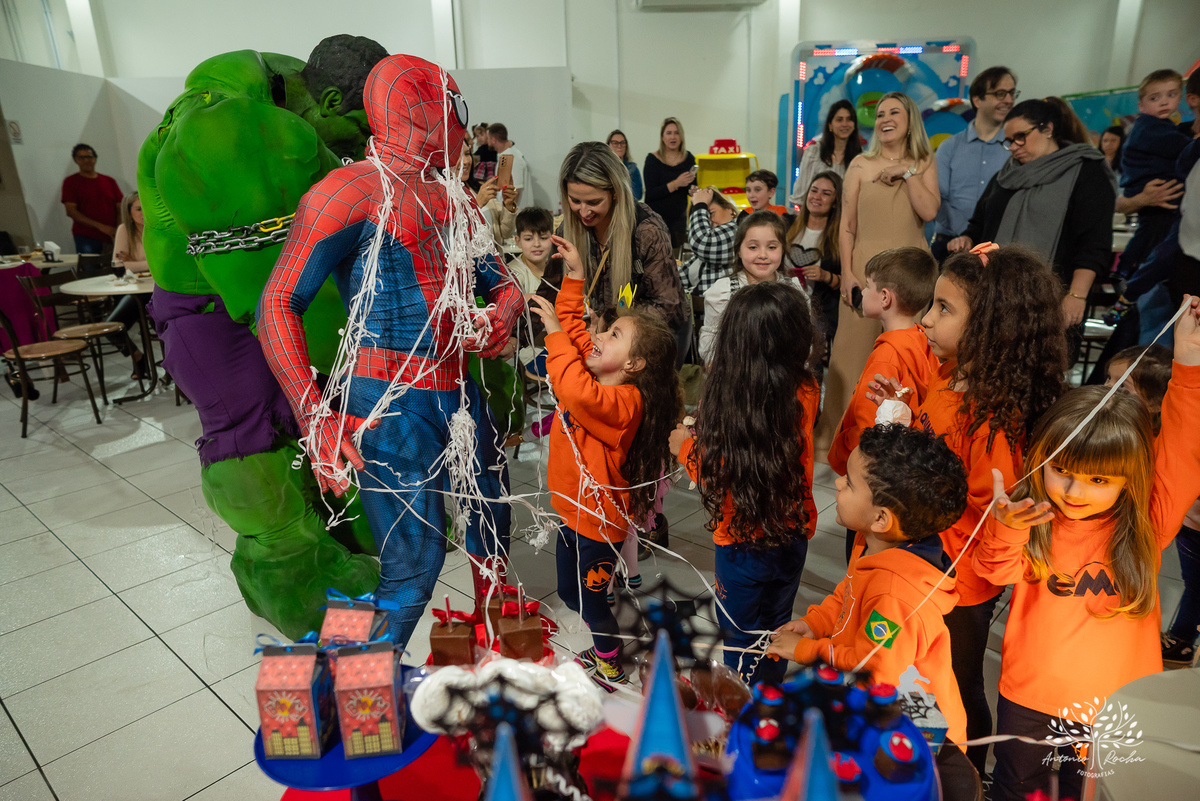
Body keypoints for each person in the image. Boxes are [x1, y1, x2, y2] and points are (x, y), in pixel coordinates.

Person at [259, 55, 524, 647]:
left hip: (457, 393)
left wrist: (497, 318)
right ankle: (358, 702)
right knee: (413, 564)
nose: (462, 125)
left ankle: (492, 648)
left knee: (491, 519)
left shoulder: (453, 198)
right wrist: (314, 415)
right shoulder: (350, 193)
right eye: (452, 108)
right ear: (426, 108)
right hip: (389, 402)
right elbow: (277, 303)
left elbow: (503, 285)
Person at [139, 35, 390, 638]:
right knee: (249, 443)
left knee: (306, 418)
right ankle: (295, 586)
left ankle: (342, 552)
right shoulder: (223, 127)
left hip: (267, 298)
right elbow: (271, 291)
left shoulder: (274, 117)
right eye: (361, 130)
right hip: (213, 315)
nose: (363, 146)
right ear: (329, 100)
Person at [974, 297, 1200, 801]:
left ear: (1130, 478)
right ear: (1043, 458)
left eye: (1099, 479)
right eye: (1064, 472)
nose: (1075, 492)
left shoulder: (1146, 526)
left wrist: (1188, 366)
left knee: (1089, 794)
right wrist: (1008, 526)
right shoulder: (1032, 517)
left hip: (1116, 704)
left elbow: (1184, 448)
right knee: (1017, 790)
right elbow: (993, 570)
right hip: (1028, 700)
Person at [870, 244, 1068, 775]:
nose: (927, 320)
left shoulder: (992, 423)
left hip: (955, 587)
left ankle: (965, 775)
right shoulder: (949, 377)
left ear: (992, 326)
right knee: (923, 680)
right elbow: (940, 460)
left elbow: (978, 518)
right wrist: (906, 415)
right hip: (928, 570)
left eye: (943, 309)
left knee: (955, 686)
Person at [528, 236, 681, 689]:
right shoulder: (599, 370)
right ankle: (602, 617)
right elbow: (578, 334)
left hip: (599, 526)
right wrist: (573, 278)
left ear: (633, 364)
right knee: (574, 592)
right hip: (572, 514)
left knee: (594, 605)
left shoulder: (625, 401)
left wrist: (554, 334)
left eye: (613, 336)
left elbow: (575, 390)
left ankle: (609, 661)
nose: (598, 337)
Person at [767, 424, 970, 748]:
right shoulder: (873, 543)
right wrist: (814, 623)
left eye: (848, 483)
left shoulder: (894, 597)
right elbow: (847, 593)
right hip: (873, 707)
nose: (836, 483)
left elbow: (872, 671)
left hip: (914, 739)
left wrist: (805, 651)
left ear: (881, 519)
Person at [673, 280, 819, 684]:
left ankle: (738, 703)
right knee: (779, 626)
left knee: (739, 633)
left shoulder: (726, 401)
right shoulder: (807, 388)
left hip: (741, 543)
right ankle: (769, 698)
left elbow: (716, 474)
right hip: (793, 531)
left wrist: (682, 447)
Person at [814, 91, 939, 458]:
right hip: (866, 276)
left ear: (909, 119)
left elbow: (929, 211)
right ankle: (838, 438)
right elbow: (847, 227)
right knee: (850, 355)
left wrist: (909, 172)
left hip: (911, 279)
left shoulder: (923, 161)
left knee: (904, 358)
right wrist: (849, 273)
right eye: (880, 113)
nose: (885, 118)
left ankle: (897, 441)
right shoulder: (859, 165)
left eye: (894, 112)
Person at [947, 98, 1115, 340]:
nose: (1014, 146)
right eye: (1008, 140)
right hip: (995, 296)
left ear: (1047, 129)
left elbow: (1093, 243)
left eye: (1020, 136)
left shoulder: (1085, 171)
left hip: (1054, 299)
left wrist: (1077, 295)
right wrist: (966, 238)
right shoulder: (1005, 176)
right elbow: (980, 224)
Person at [828, 247, 937, 559]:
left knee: (862, 560)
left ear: (885, 298)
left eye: (867, 285)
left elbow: (869, 430)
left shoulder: (887, 355)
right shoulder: (920, 340)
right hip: (898, 479)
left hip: (872, 485)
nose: (862, 291)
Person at [556, 141, 689, 363]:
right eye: (575, 200)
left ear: (616, 192)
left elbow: (667, 306)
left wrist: (609, 321)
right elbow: (552, 289)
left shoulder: (647, 230)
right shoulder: (568, 229)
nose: (584, 211)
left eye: (594, 202)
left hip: (649, 345)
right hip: (602, 342)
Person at [931, 66, 1017, 262]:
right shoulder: (949, 147)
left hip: (999, 251)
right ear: (977, 100)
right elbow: (937, 200)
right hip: (950, 248)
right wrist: (967, 234)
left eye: (1012, 93)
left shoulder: (1016, 148)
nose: (1009, 100)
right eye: (1000, 94)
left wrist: (977, 236)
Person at [698, 211, 801, 365]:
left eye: (772, 247)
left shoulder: (793, 290)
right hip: (735, 374)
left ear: (783, 249)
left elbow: (803, 337)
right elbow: (711, 338)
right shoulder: (724, 291)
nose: (763, 255)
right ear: (739, 250)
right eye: (753, 247)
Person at [785, 171, 842, 365]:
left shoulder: (839, 238)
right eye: (814, 190)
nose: (817, 196)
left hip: (818, 319)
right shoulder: (787, 224)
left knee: (813, 374)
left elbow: (850, 283)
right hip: (784, 311)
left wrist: (826, 276)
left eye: (826, 193)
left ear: (835, 201)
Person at [507, 206, 561, 376]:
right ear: (518, 241)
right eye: (529, 238)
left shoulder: (557, 267)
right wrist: (525, 298)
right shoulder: (514, 273)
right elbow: (506, 305)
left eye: (543, 238)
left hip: (558, 341)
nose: (537, 244)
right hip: (530, 350)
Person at [106, 192, 151, 378]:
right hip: (137, 290)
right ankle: (138, 357)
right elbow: (119, 265)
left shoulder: (157, 228)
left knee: (166, 327)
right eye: (138, 209)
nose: (143, 212)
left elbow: (166, 262)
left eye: (145, 207)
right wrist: (148, 263)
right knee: (112, 328)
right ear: (129, 212)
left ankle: (172, 371)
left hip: (159, 288)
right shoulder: (124, 230)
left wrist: (134, 262)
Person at [788, 99, 861, 208]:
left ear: (854, 125)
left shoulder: (860, 157)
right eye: (839, 120)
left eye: (849, 119)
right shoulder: (814, 151)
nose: (845, 124)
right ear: (830, 125)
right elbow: (800, 196)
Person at [643, 117, 696, 249]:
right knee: (657, 256)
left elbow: (692, 184)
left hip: (679, 218)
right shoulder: (652, 160)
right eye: (669, 133)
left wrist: (693, 190)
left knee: (677, 255)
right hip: (656, 218)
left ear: (681, 136)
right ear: (662, 137)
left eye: (676, 133)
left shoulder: (689, 158)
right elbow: (651, 193)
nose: (673, 137)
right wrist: (676, 183)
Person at [62, 143, 123, 255]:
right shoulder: (71, 182)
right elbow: (71, 211)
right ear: (76, 160)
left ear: (95, 159)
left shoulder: (109, 181)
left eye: (89, 157)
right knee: (90, 270)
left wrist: (118, 230)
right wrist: (101, 227)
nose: (87, 161)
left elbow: (120, 207)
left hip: (112, 235)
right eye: (82, 157)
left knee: (117, 267)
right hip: (86, 236)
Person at [680, 186, 739, 297]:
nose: (708, 222)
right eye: (704, 217)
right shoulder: (712, 246)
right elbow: (680, 276)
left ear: (729, 209)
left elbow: (701, 243)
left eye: (711, 213)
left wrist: (700, 204)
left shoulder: (738, 230)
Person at [488, 122, 529, 207]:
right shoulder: (505, 155)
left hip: (516, 213)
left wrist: (507, 213)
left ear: (493, 140)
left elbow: (516, 190)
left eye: (488, 138)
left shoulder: (512, 157)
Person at [607, 130, 643, 201]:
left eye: (622, 142)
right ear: (608, 145)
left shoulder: (633, 168)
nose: (619, 146)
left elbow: (638, 195)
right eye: (615, 143)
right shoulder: (604, 167)